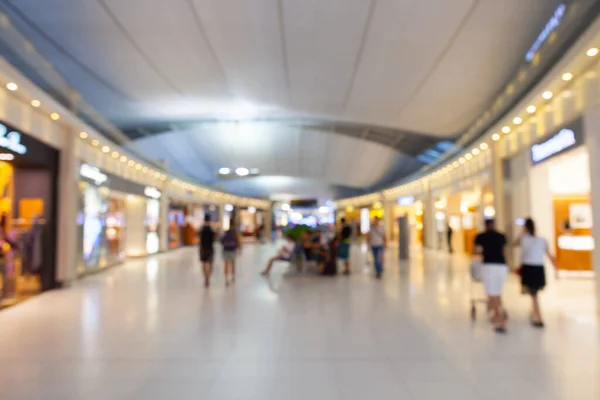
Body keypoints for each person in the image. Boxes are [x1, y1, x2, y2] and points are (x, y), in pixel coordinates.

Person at [513, 218, 555, 328]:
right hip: (538, 267)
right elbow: (549, 254)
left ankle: (538, 317)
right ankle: (534, 313)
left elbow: (514, 244)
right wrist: (556, 268)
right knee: (533, 293)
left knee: (534, 294)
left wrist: (522, 232)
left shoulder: (524, 238)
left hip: (529, 267)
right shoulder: (541, 239)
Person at [474, 219, 509, 333]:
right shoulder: (501, 236)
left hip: (489, 266)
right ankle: (496, 314)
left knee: (492, 294)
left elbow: (476, 251)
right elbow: (504, 252)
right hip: (502, 266)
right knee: (498, 293)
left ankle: (500, 321)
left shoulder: (480, 237)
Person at [221, 220, 241, 285]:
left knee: (226, 264)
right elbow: (238, 241)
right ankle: (233, 277)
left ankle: (226, 278)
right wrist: (239, 249)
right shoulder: (235, 232)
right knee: (233, 263)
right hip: (232, 249)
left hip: (226, 249)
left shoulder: (226, 232)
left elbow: (222, 240)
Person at [199, 215, 216, 287]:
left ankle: (205, 277)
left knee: (204, 263)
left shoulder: (201, 229)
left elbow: (200, 240)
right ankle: (208, 277)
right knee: (210, 263)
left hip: (203, 248)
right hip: (210, 248)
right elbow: (214, 239)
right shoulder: (212, 229)